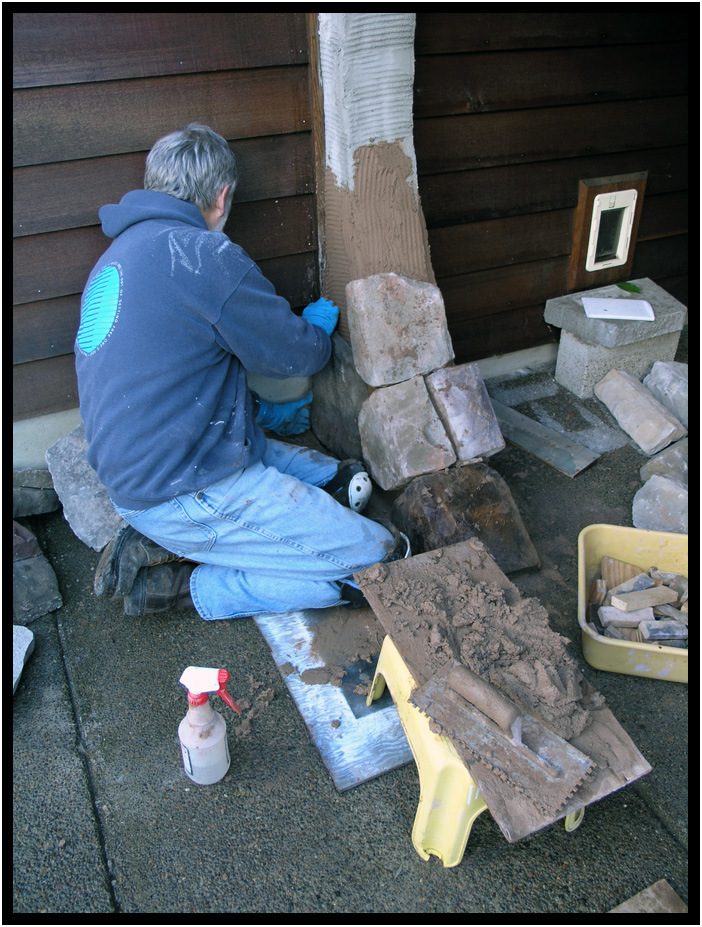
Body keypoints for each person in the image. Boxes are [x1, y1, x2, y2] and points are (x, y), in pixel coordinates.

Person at [75, 124, 406, 619]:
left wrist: (258, 407)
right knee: (380, 565)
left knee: (338, 476)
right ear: (222, 195)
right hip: (183, 487)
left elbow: (174, 373)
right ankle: (181, 586)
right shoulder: (203, 255)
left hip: (148, 468)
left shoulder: (117, 257)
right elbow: (298, 356)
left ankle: (187, 540)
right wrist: (315, 332)